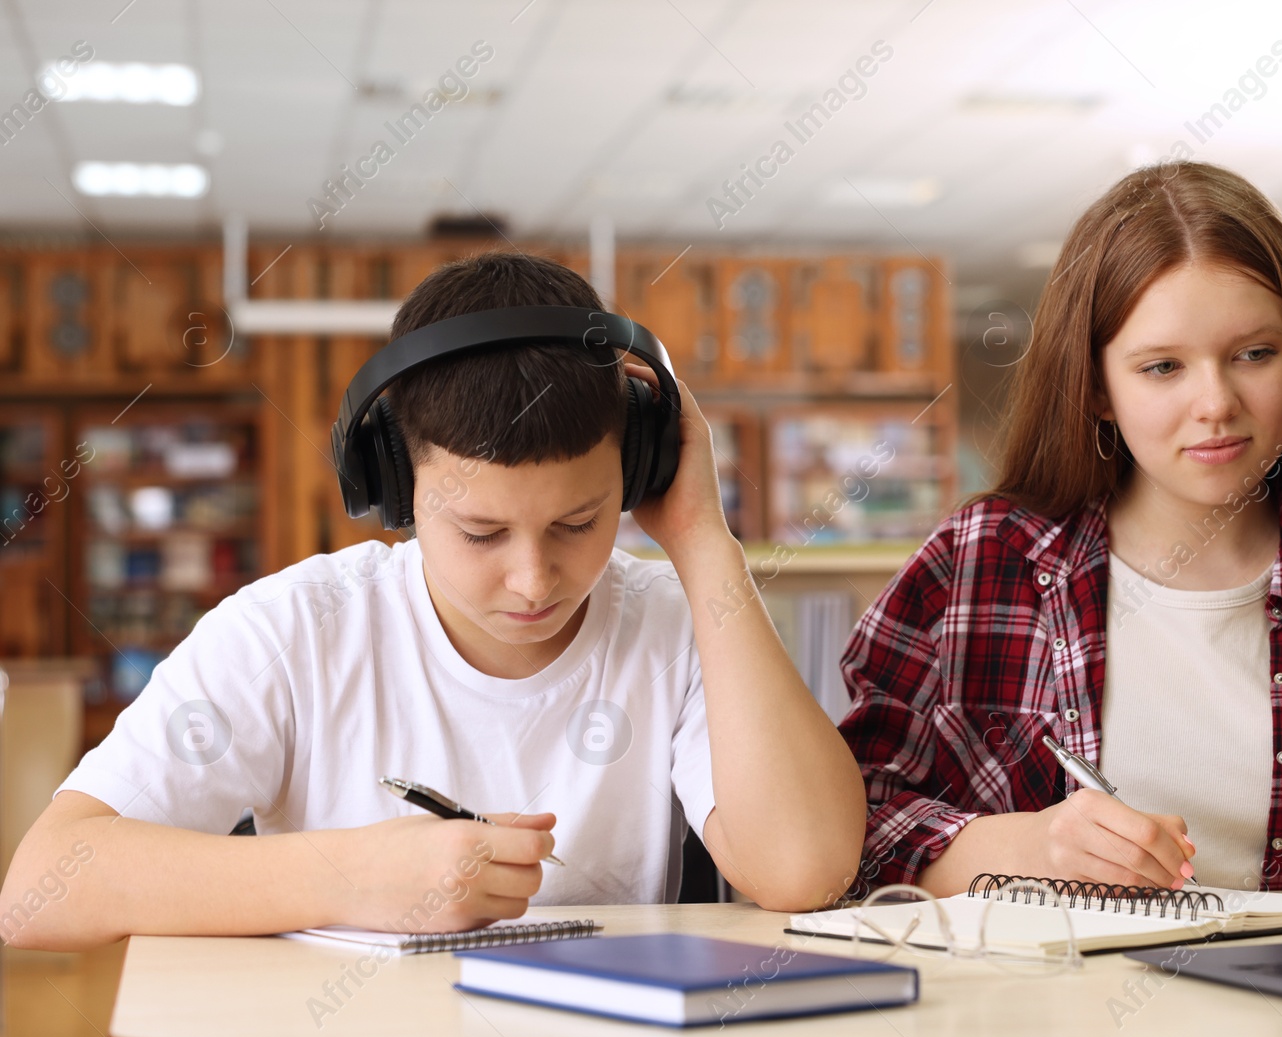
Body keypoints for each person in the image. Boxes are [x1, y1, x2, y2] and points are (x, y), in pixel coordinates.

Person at [0, 252, 866, 951]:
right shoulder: (294, 629)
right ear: (394, 486)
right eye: (482, 534)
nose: (534, 580)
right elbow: (41, 888)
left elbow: (808, 872)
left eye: (578, 521)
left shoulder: (674, 625)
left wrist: (703, 537)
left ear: (640, 469)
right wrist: (348, 878)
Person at [839, 161, 1282, 899]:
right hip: (1045, 1013)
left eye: (1255, 354)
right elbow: (839, 835)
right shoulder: (981, 562)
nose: (1216, 402)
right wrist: (1027, 846)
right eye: (1163, 366)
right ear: (1097, 390)